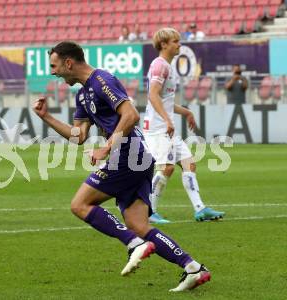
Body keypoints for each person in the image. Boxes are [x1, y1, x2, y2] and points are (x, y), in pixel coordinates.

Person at [33, 41, 211, 292]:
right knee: (139, 225)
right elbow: (78, 136)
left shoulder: (102, 80)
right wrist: (46, 117)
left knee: (80, 204)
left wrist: (107, 147)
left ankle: (133, 243)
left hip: (129, 153)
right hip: (134, 156)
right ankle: (193, 267)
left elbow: (131, 115)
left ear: (68, 63)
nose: (53, 71)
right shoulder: (83, 93)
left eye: (54, 65)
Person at [143, 28, 225, 224]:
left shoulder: (167, 67)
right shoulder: (160, 66)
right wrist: (168, 120)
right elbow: (152, 95)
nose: (179, 44)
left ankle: (200, 209)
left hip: (165, 126)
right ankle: (149, 211)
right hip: (157, 128)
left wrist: (186, 112)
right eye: (175, 41)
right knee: (167, 168)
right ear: (164, 44)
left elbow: (165, 100)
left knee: (189, 163)